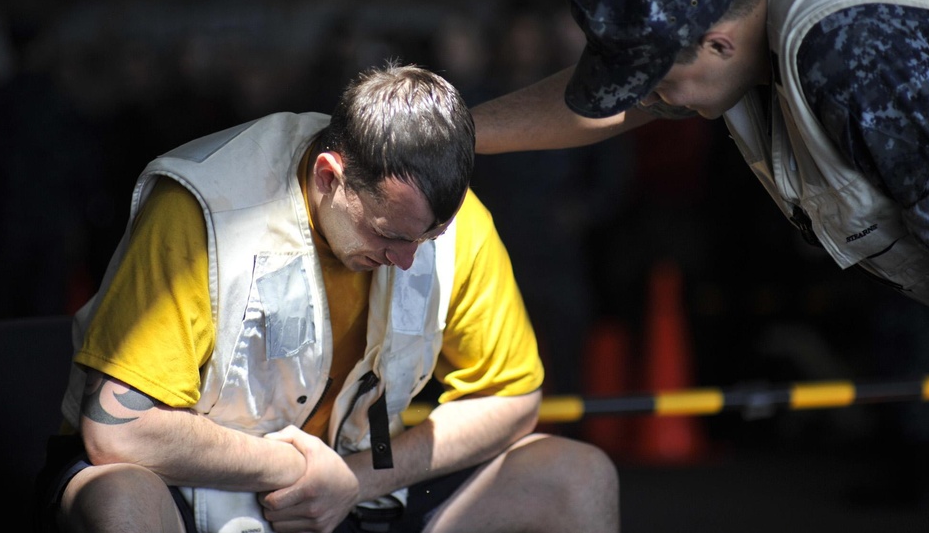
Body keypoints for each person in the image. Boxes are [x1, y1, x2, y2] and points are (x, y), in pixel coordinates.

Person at [470, 0, 929, 528]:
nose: (650, 101)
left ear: (718, 43)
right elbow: (613, 104)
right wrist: (450, 131)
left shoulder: (851, 51)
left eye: (655, 82)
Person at [35, 62, 620, 533]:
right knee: (118, 496)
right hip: (196, 481)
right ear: (328, 176)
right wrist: (298, 469)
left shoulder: (454, 223)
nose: (408, 259)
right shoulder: (203, 210)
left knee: (577, 476)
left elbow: (514, 399)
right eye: (387, 234)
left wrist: (357, 480)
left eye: (428, 237)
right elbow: (119, 431)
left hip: (353, 481)